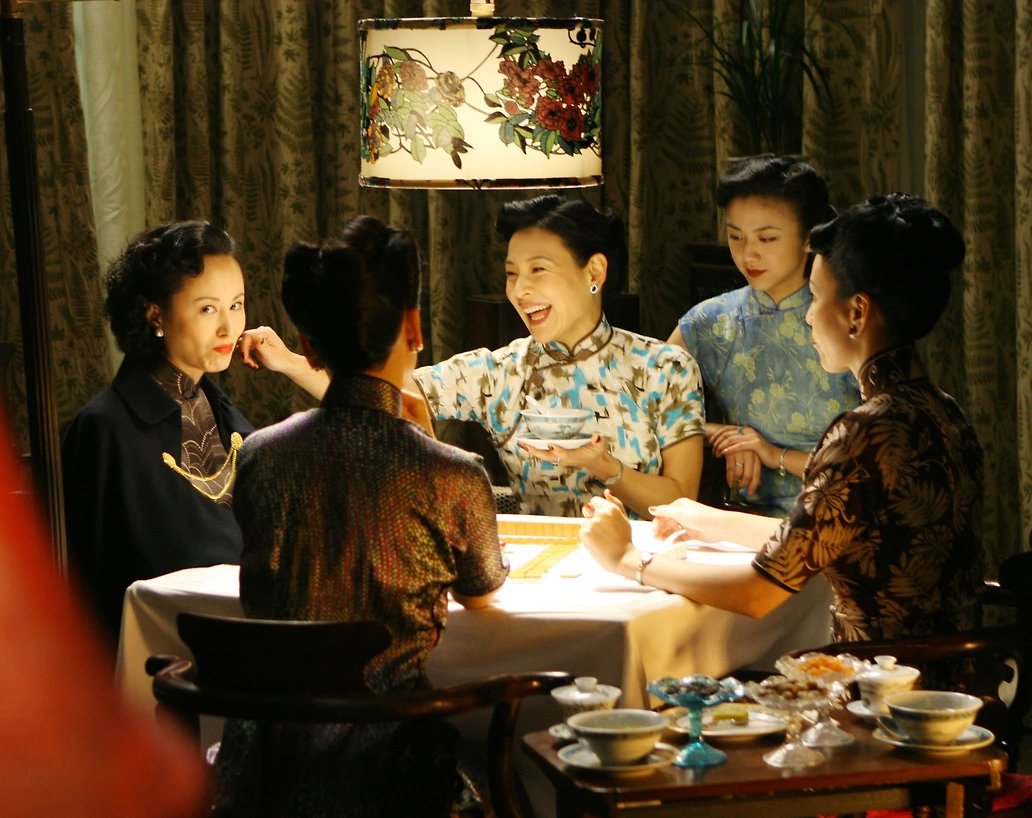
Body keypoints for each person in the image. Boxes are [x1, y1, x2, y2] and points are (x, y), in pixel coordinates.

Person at [215, 216, 509, 818]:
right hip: (391, 800)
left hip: (259, 788)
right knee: (525, 775)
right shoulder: (452, 474)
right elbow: (484, 592)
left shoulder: (260, 457)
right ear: (415, 326)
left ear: (307, 343)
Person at [581, 193, 984, 645]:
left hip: (883, 681)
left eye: (816, 297)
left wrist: (625, 558)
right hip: (957, 673)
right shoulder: (943, 410)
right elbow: (827, 535)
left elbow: (757, 592)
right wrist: (704, 518)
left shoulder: (864, 432)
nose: (808, 316)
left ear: (857, 312)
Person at [61, 221, 324, 646]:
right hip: (161, 656)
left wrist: (293, 364)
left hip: (251, 645)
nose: (228, 328)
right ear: (155, 315)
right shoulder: (105, 428)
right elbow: (87, 588)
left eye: (236, 305)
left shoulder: (230, 421)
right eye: (207, 309)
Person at [415, 194, 705, 518]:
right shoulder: (497, 372)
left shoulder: (665, 368)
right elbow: (390, 393)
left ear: (594, 272)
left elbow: (682, 504)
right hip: (536, 550)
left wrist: (604, 465)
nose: (520, 291)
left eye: (538, 269)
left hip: (638, 551)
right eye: (512, 273)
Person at [670, 155, 861, 515]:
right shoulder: (710, 322)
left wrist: (776, 455)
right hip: (746, 521)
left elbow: (885, 453)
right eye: (735, 236)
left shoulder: (847, 317)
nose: (748, 254)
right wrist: (728, 437)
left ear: (809, 237)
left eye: (767, 238)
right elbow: (648, 410)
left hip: (848, 516)